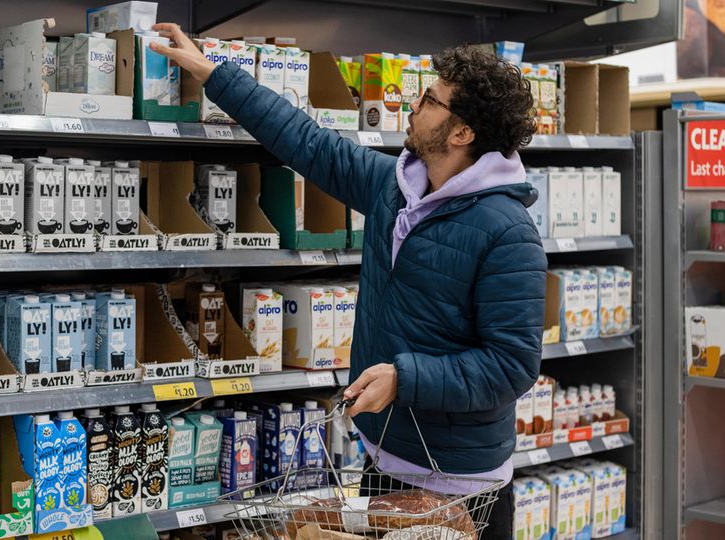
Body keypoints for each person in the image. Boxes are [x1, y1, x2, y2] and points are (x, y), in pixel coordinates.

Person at [151, 24, 547, 539]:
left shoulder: (507, 231)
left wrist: (405, 379)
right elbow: (312, 145)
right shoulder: (398, 187)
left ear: (462, 133)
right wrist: (214, 74)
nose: (413, 106)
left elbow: (512, 365)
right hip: (386, 463)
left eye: (429, 100)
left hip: (463, 485)